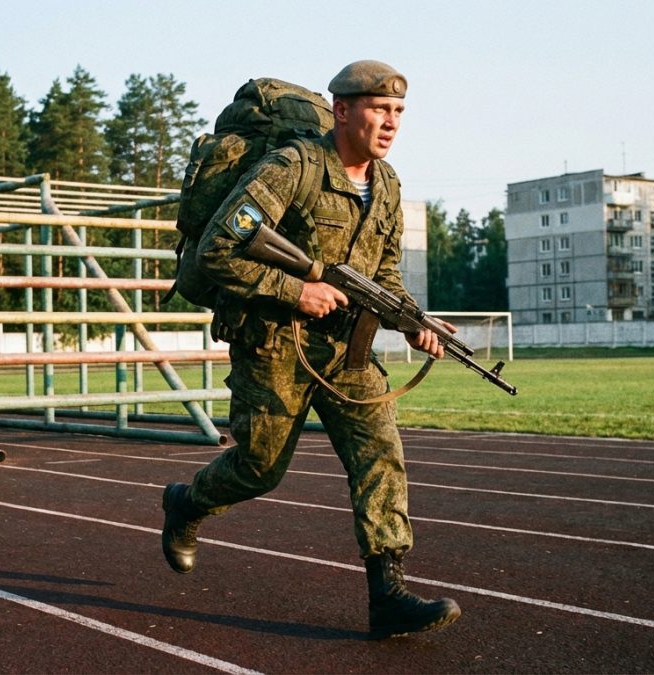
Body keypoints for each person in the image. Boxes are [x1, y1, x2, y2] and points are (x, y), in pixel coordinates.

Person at [161, 60, 461, 639]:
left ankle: (387, 593)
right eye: (378, 108)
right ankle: (187, 503)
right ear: (342, 110)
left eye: (398, 111)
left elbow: (384, 273)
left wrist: (414, 321)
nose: (391, 121)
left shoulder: (388, 184)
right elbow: (218, 252)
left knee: (380, 452)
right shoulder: (292, 167)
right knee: (259, 468)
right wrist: (297, 290)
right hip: (273, 342)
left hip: (346, 348)